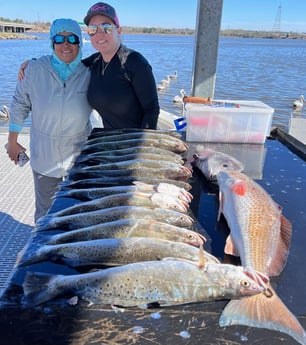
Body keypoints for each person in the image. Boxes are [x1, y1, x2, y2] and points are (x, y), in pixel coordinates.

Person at [7, 18, 93, 223]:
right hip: (44, 157)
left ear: (79, 42)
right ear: (51, 42)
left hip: (78, 159)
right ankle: (40, 252)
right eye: (59, 38)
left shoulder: (91, 72)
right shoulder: (34, 69)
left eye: (72, 38)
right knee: (45, 213)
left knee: (78, 212)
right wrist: (12, 140)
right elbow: (19, 104)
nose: (66, 44)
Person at [82, 2, 160, 129]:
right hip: (111, 142)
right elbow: (68, 67)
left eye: (106, 27)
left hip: (133, 142)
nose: (99, 33)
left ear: (118, 30)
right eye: (92, 29)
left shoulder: (135, 62)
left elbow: (151, 109)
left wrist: (142, 144)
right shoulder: (94, 62)